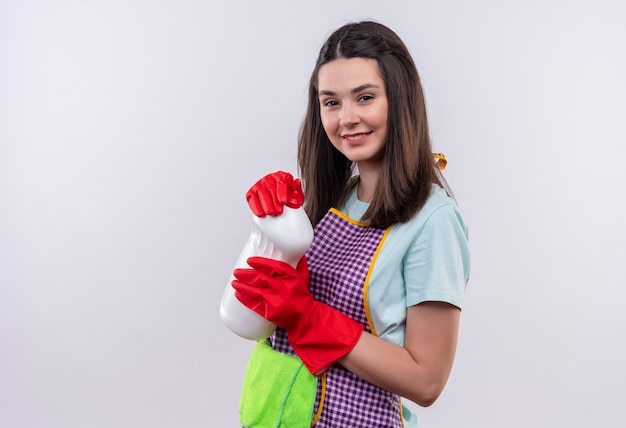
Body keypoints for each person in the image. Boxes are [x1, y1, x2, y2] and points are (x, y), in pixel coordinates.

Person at [230, 20, 470, 428]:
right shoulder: (334, 199)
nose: (347, 118)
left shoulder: (434, 220)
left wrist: (308, 317)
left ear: (400, 99)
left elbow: (427, 380)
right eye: (331, 102)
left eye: (364, 97)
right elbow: (253, 320)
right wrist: (267, 231)